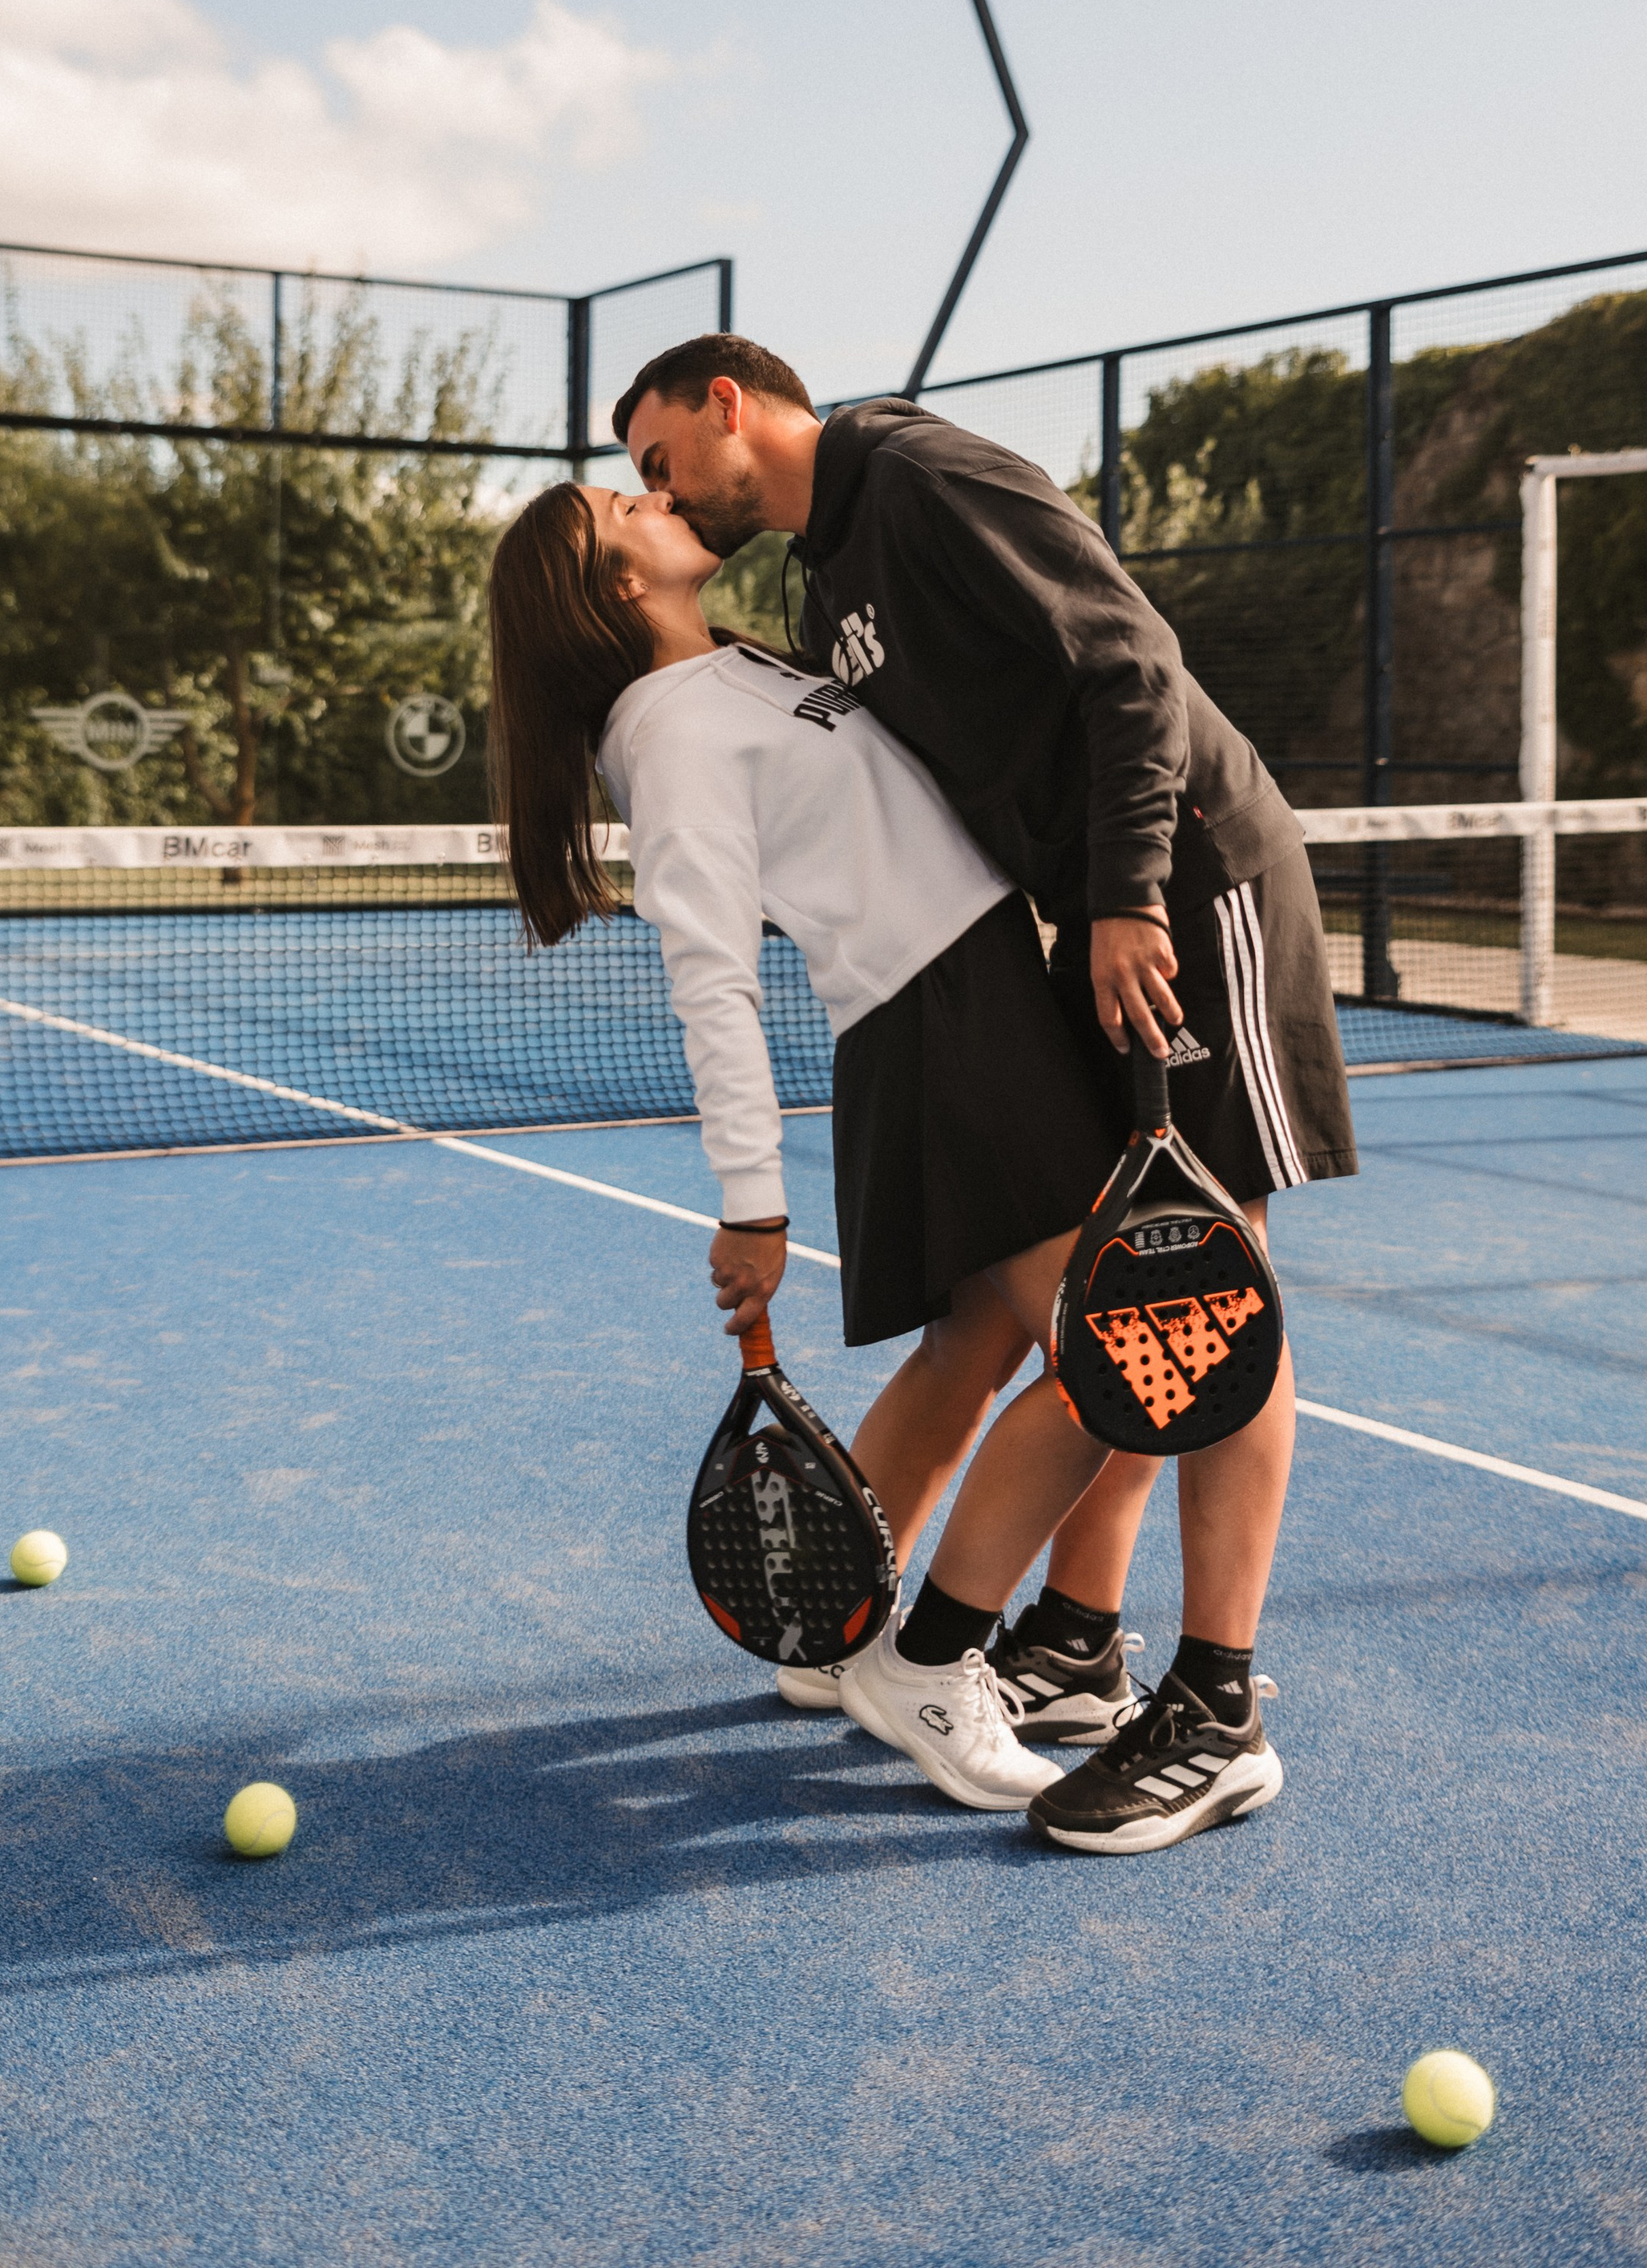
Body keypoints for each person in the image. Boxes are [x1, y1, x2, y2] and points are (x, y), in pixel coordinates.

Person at [615, 335, 1358, 1856]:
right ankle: (1081, 1639)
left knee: (1207, 1297)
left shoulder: (922, 476)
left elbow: (1132, 663)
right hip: (1084, 928)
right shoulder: (827, 598)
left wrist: (1131, 896)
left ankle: (1218, 1709)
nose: (659, 486)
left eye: (655, 457)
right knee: (1143, 1304)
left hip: (1189, 885)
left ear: (726, 404)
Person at [484, 475, 1168, 1812]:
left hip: (973, 1002)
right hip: (945, 1028)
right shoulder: (669, 736)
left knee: (980, 1344)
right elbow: (711, 981)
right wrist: (752, 1202)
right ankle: (931, 1659)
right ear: (616, 586)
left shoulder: (727, 673)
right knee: (1123, 1369)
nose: (652, 492)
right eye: (620, 504)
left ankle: (839, 1632)